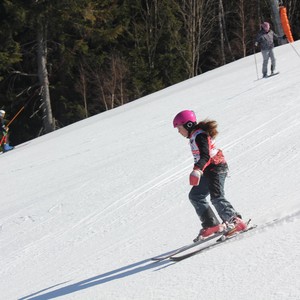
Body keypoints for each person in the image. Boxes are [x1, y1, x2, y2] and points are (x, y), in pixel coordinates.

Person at [173, 110, 247, 242]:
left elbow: (205, 155)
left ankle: (236, 221)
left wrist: (197, 170)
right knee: (195, 196)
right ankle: (212, 224)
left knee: (216, 197)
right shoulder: (194, 136)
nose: (178, 131)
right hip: (208, 170)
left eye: (179, 127)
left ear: (188, 125)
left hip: (217, 168)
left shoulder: (200, 135)